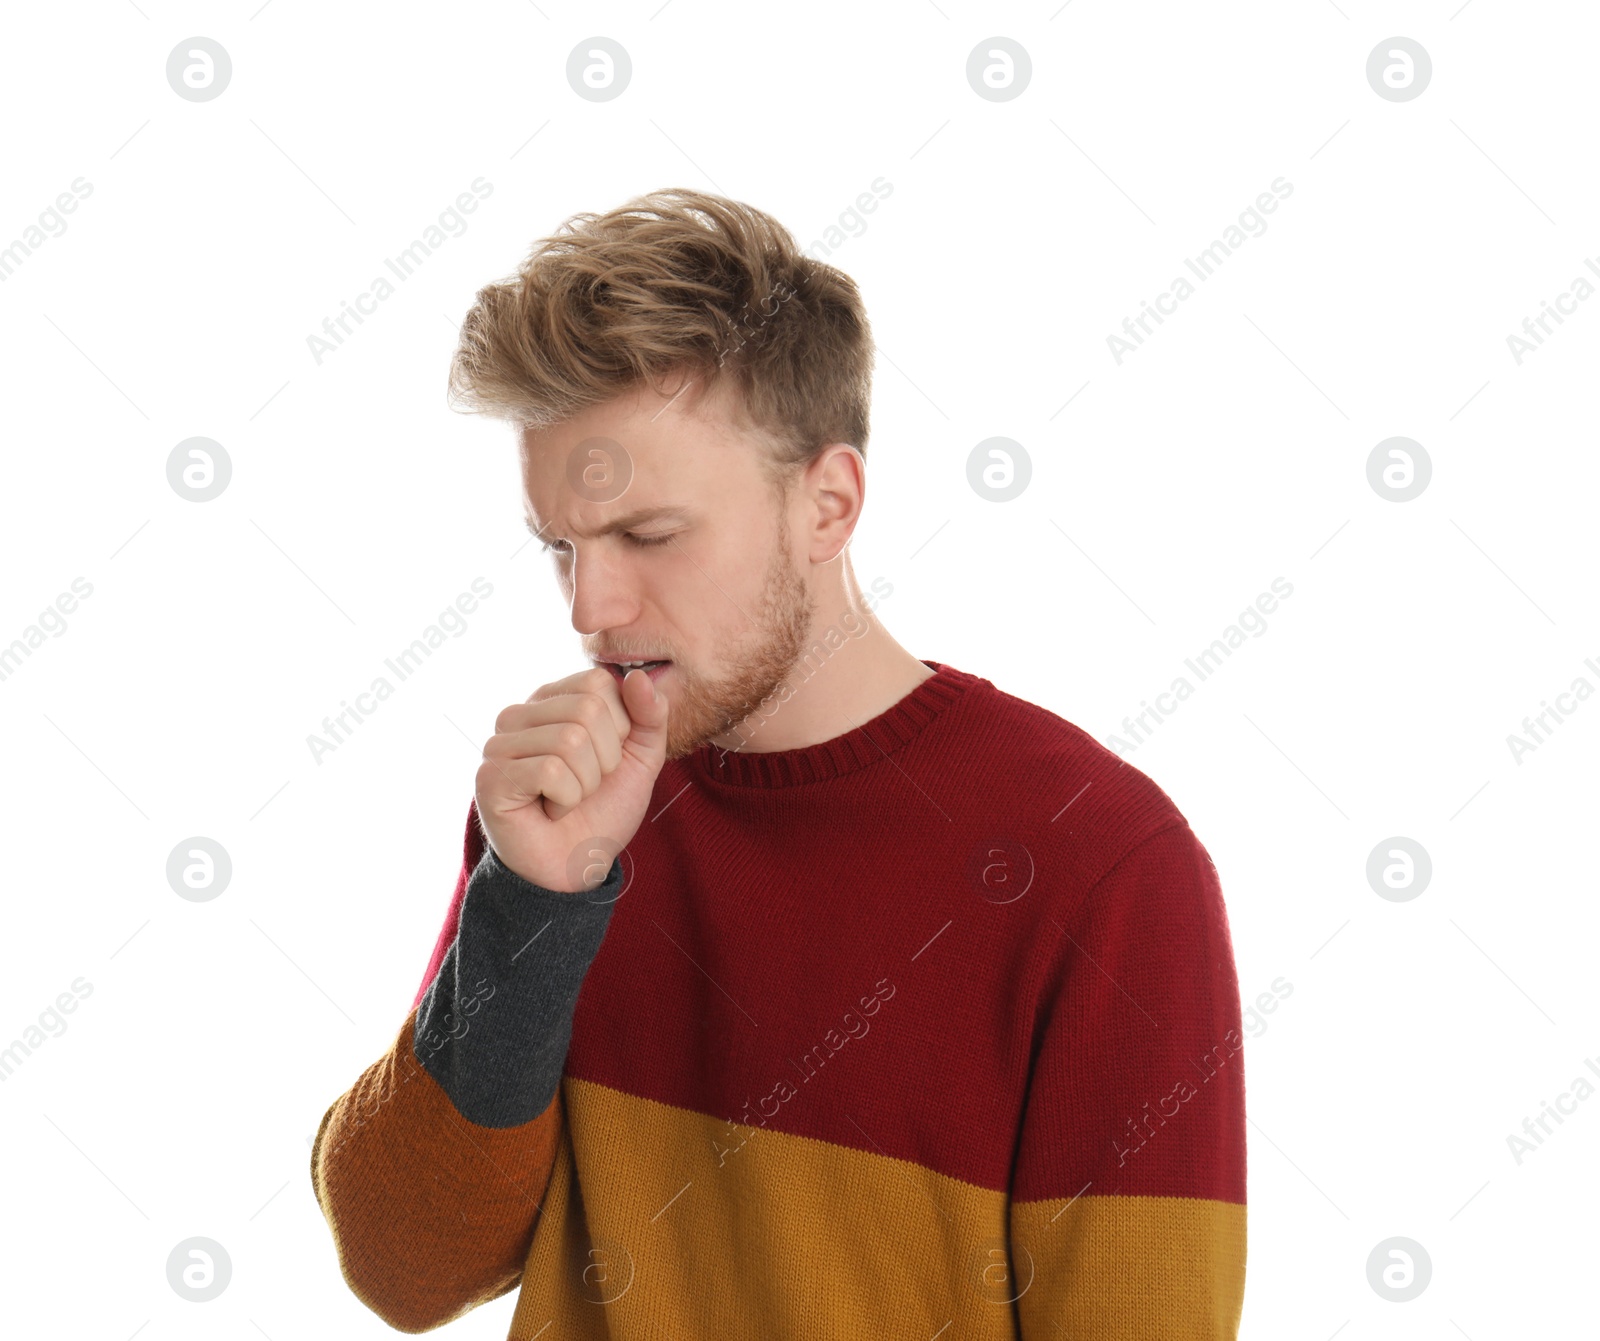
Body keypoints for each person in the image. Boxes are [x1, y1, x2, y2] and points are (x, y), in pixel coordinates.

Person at [309, 187, 1247, 1337]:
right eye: (560, 547)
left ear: (829, 504)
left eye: (648, 536)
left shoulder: (1102, 865)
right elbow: (404, 1272)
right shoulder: (569, 812)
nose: (590, 607)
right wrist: (531, 909)